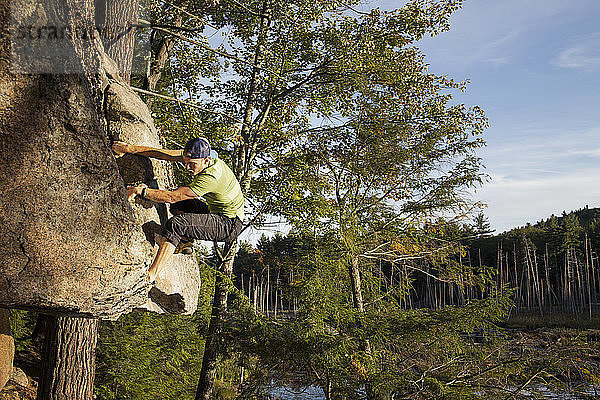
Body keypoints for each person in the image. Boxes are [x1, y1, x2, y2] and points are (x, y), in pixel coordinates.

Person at [112, 137, 244, 283]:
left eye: (192, 164)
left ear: (206, 161)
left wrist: (141, 191)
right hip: (217, 213)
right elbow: (164, 154)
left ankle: (150, 275)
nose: (187, 167)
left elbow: (173, 196)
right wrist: (128, 149)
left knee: (176, 224)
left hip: (228, 225)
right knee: (179, 206)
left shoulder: (211, 177)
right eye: (186, 162)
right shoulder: (204, 156)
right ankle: (185, 242)